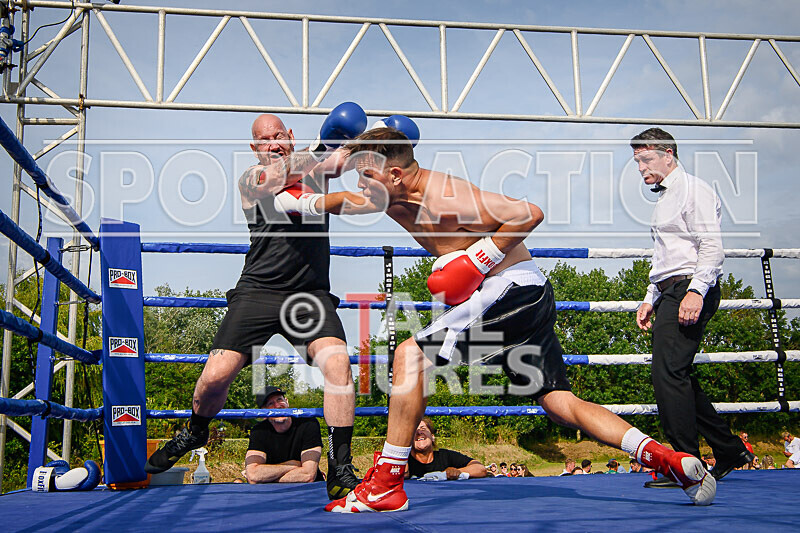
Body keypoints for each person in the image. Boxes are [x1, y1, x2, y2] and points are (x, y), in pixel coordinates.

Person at [323, 128, 715, 512]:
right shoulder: (393, 194)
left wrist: (476, 261)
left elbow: (529, 213)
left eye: (367, 174)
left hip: (508, 288)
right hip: (528, 294)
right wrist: (297, 198)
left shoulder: (446, 195)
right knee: (559, 402)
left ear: (394, 173)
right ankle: (667, 458)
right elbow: (345, 201)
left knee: (409, 356)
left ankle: (388, 484)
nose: (362, 184)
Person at [145, 105, 368, 500]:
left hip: (309, 293)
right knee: (215, 376)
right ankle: (196, 430)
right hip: (258, 290)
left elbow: (343, 160)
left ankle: (340, 467)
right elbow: (284, 176)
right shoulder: (253, 178)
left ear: (291, 137)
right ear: (254, 147)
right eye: (264, 139)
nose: (272, 143)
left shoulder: (317, 169)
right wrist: (324, 145)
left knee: (338, 365)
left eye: (278, 135)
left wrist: (379, 141)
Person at [631, 128, 754, 486]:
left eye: (646, 159)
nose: (640, 168)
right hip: (671, 289)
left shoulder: (694, 189)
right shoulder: (665, 199)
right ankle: (728, 448)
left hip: (690, 288)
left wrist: (696, 291)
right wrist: (650, 298)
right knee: (676, 373)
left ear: (668, 154)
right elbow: (665, 257)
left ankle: (686, 464)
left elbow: (711, 247)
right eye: (636, 161)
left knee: (667, 373)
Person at [244, 386, 324, 483]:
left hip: (308, 491)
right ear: (263, 412)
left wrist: (267, 478)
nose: (277, 406)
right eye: (270, 403)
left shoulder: (308, 424)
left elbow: (308, 475)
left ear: (287, 402)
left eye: (279, 400)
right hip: (270, 494)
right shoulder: (259, 431)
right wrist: (293, 464)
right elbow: (253, 476)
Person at [406, 418, 487, 480]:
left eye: (423, 429)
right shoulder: (404, 460)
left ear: (432, 436)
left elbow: (480, 469)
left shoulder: (445, 456)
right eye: (414, 430)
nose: (419, 432)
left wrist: (457, 472)